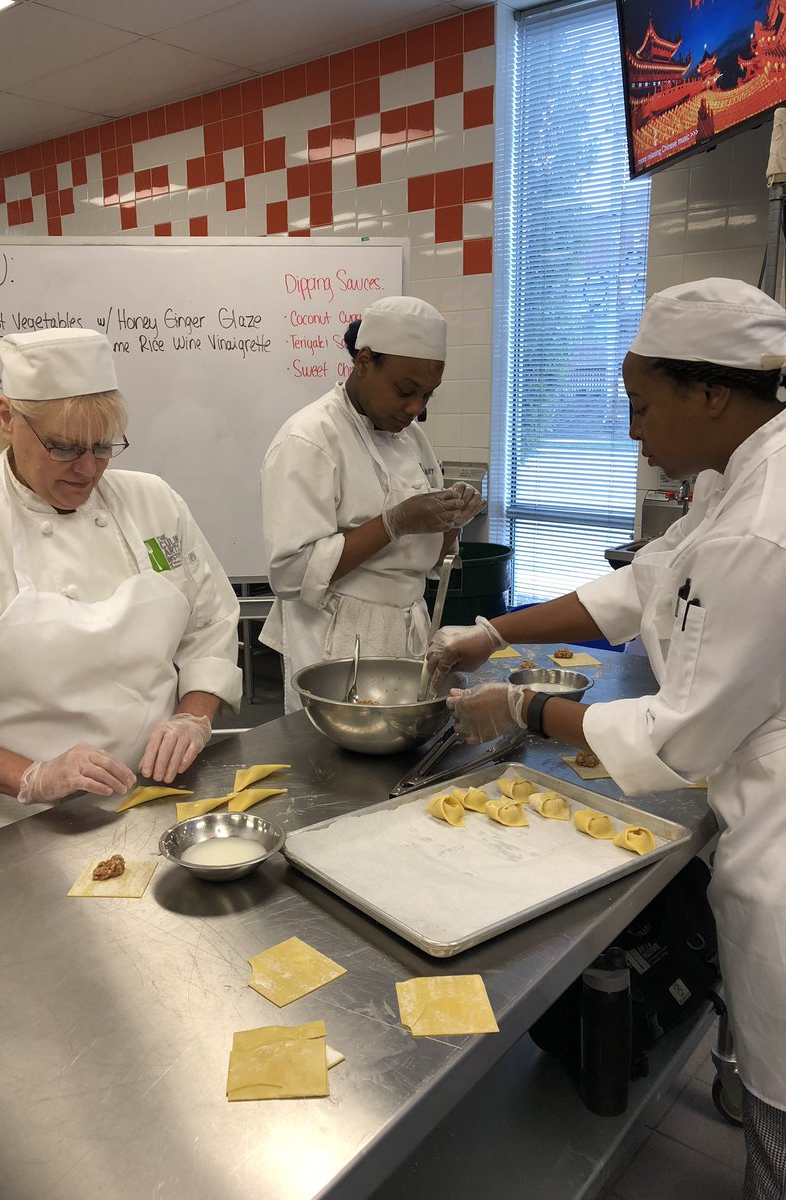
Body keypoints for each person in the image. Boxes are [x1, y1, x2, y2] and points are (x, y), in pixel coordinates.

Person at [425, 278, 786, 1200]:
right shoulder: (734, 479)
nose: (632, 431)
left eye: (642, 405)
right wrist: (492, 631)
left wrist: (521, 709)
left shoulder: (761, 525)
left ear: (713, 392)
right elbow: (640, 587)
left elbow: (680, 737)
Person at [0, 328, 242, 856]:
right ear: (7, 418)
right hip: (9, 829)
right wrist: (33, 776)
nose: (88, 469)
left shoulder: (155, 504)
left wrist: (193, 716)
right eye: (65, 447)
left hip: (153, 799)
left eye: (103, 447)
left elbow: (208, 625)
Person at [260, 295, 485, 712]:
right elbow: (290, 573)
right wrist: (394, 522)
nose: (415, 408)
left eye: (428, 395)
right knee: (335, 749)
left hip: (406, 632)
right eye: (405, 390)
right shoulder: (310, 438)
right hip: (339, 640)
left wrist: (452, 518)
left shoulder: (412, 438)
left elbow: (430, 559)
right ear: (364, 362)